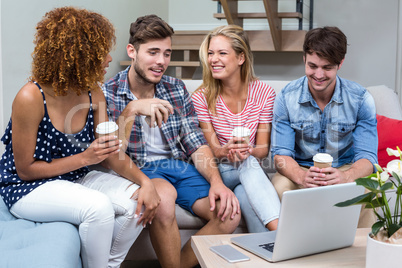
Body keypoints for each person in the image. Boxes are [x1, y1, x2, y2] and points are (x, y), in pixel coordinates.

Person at [0, 7, 162, 268]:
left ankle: (108, 265)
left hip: (75, 178)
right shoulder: (30, 97)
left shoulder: (93, 92)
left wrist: (146, 183)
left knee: (139, 202)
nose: (110, 58)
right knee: (97, 208)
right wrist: (86, 157)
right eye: (101, 53)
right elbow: (26, 170)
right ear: (78, 57)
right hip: (27, 188)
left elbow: (111, 154)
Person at [102, 15, 241, 268]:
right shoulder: (108, 93)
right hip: (140, 169)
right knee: (164, 198)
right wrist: (131, 110)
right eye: (153, 52)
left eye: (166, 53)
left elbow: (196, 142)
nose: (161, 62)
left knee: (229, 212)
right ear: (132, 51)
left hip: (179, 167)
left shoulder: (176, 88)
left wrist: (217, 182)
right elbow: (112, 154)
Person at [270, 26, 378, 227]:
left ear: (340, 63)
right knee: (279, 186)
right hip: (301, 167)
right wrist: (302, 176)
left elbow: (367, 158)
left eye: (327, 67)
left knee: (369, 190)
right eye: (312, 66)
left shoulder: (361, 99)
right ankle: (296, 250)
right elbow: (280, 155)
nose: (318, 75)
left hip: (345, 167)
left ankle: (361, 255)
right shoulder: (286, 97)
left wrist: (346, 176)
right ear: (304, 59)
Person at [191, 25, 281, 233]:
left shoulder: (264, 93)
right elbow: (212, 149)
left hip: (247, 172)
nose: (214, 59)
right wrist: (227, 151)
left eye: (222, 53)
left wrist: (247, 150)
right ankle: (282, 231)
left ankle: (268, 255)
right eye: (211, 53)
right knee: (245, 162)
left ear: (241, 58)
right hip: (217, 172)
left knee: (243, 193)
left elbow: (262, 149)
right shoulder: (202, 97)